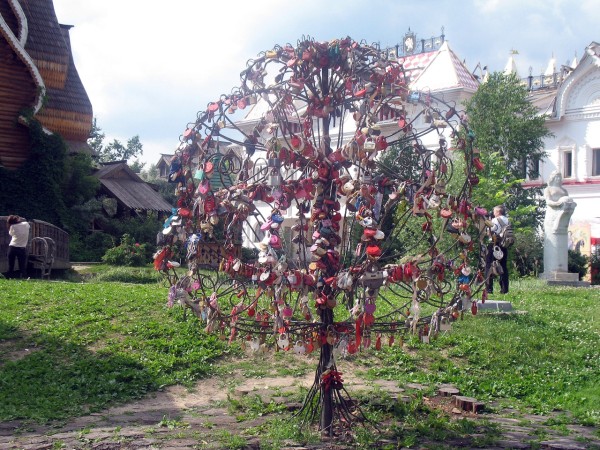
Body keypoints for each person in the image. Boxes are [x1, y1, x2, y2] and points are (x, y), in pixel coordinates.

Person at [485, 205, 510, 294]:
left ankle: (489, 288)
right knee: (503, 266)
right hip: (504, 244)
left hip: (494, 243)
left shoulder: (495, 220)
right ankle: (504, 289)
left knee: (489, 265)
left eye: (494, 211)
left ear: (498, 212)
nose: (493, 213)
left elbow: (489, 232)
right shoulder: (507, 220)